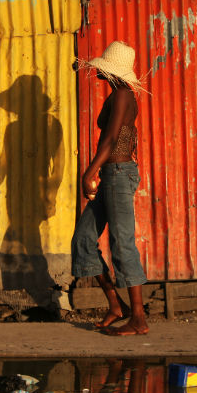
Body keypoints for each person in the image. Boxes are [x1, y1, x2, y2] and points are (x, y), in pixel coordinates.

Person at [71, 41, 149, 336]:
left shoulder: (123, 95)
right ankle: (117, 307)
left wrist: (89, 172)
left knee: (122, 243)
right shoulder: (117, 94)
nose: (98, 70)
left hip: (118, 174)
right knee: (83, 239)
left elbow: (111, 138)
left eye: (103, 67)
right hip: (111, 175)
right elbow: (113, 130)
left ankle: (139, 319)